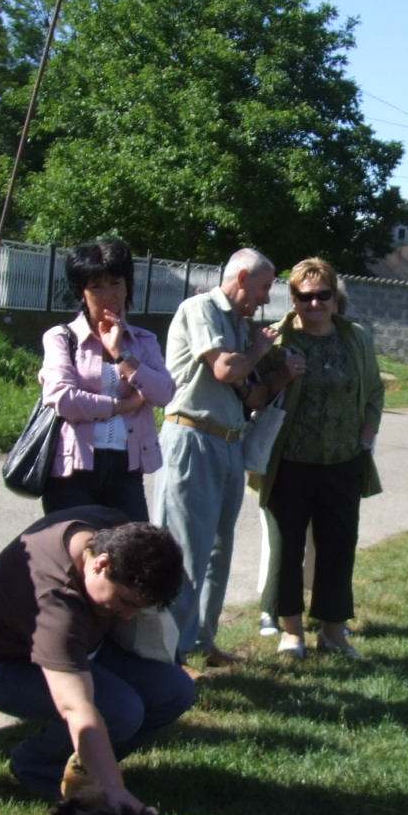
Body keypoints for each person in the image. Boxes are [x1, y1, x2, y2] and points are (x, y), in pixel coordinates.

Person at [0, 509, 193, 808]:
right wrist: (115, 791)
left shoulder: (109, 530)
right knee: (120, 711)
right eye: (125, 601)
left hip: (86, 649)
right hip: (4, 667)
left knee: (175, 691)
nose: (127, 615)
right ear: (101, 564)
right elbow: (76, 706)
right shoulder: (56, 601)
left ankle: (89, 769)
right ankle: (38, 767)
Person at [152, 248, 302, 666]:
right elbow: (224, 369)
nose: (265, 298)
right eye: (263, 287)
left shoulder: (240, 325)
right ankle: (170, 656)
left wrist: (280, 374)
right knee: (185, 552)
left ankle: (203, 641)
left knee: (217, 551)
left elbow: (253, 393)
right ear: (241, 278)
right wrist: (258, 350)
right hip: (193, 438)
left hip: (231, 443)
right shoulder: (201, 308)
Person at [254, 258, 383, 659]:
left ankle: (332, 631)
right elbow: (256, 393)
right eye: (304, 296)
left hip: (343, 460)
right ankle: (292, 632)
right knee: (286, 547)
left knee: (339, 546)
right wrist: (282, 374)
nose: (315, 304)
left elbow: (375, 390)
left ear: (334, 297)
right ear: (292, 298)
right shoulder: (277, 340)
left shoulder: (355, 338)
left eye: (323, 295)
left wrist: (367, 434)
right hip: (289, 461)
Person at [38, 238, 174, 522]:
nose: (108, 294)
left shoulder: (144, 341)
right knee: (79, 547)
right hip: (72, 470)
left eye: (115, 283)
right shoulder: (61, 338)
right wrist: (122, 406)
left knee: (135, 547)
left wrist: (121, 354)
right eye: (96, 286)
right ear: (81, 291)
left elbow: (164, 394)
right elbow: (63, 398)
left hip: (126, 467)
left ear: (127, 286)